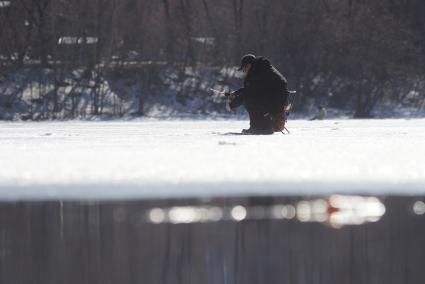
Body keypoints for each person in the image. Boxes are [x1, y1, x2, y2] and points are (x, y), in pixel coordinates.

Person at [226, 54, 289, 135]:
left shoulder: (259, 73)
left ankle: (263, 128)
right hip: (277, 101)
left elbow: (248, 92)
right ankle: (257, 127)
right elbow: (250, 89)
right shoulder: (260, 68)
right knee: (251, 99)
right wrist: (235, 93)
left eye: (245, 67)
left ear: (249, 65)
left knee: (249, 100)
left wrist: (231, 105)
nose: (244, 70)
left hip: (276, 104)